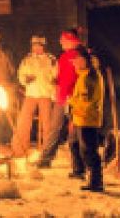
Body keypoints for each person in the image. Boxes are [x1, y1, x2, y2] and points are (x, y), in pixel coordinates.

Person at [38, 29, 86, 168]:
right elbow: (62, 77)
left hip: (74, 99)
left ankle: (80, 164)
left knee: (76, 131)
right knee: (55, 128)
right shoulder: (64, 56)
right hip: (61, 98)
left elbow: (79, 78)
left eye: (63, 40)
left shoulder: (79, 56)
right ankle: (45, 159)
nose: (60, 42)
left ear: (72, 41)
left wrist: (72, 95)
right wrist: (56, 84)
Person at [12, 35, 56, 159]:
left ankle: (47, 150)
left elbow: (56, 75)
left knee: (47, 123)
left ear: (43, 47)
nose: (36, 48)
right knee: (23, 121)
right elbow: (21, 75)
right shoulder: (27, 60)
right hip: (31, 94)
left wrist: (53, 83)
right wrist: (25, 80)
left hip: (45, 94)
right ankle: (19, 148)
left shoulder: (51, 59)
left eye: (38, 46)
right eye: (34, 46)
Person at [69, 53, 105, 191]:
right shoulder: (84, 75)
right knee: (77, 145)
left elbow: (86, 102)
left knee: (89, 151)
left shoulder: (89, 78)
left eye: (76, 60)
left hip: (87, 119)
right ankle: (83, 173)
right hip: (81, 117)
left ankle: (96, 182)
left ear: (85, 61)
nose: (74, 63)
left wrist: (71, 102)